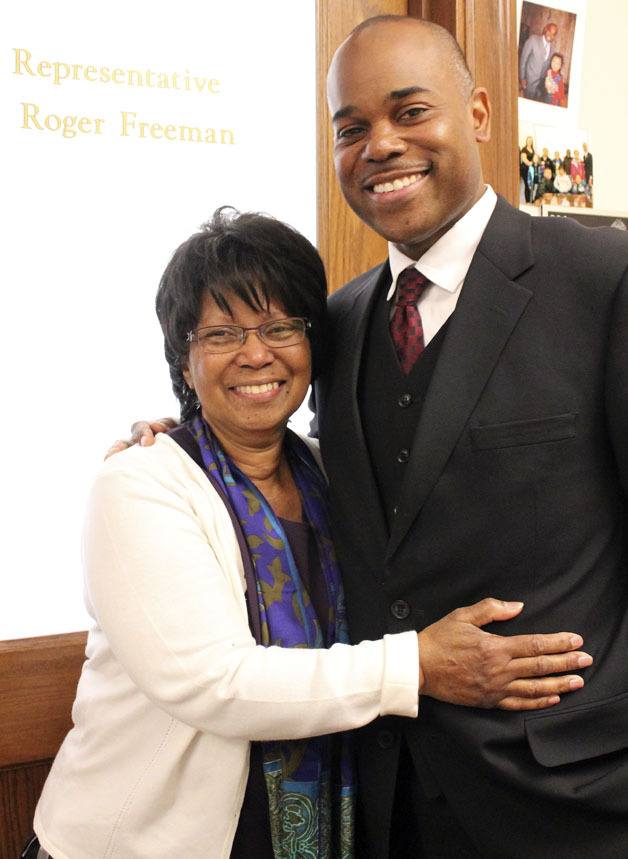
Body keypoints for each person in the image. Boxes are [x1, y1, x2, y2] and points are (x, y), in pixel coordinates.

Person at [121, 14, 628, 858]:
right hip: (382, 799)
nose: (380, 144)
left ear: (479, 112)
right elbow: (333, 467)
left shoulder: (601, 280)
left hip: (573, 801)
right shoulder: (344, 319)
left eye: (409, 111)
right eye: (351, 129)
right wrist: (184, 442)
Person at [27, 209, 587, 859]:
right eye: (223, 332)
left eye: (280, 326)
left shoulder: (333, 473)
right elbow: (218, 683)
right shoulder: (141, 485)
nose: (256, 352)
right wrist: (419, 665)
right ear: (185, 359)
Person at [519, 22, 558, 101]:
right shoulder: (533, 39)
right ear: (545, 29)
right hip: (529, 82)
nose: (550, 35)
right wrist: (522, 78)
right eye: (549, 31)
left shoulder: (552, 48)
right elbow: (523, 59)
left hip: (540, 86)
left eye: (553, 34)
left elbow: (548, 67)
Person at [519, 135, 535, 203]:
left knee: (531, 185)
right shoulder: (524, 149)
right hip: (525, 169)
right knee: (527, 185)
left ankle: (530, 200)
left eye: (531, 141)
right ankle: (527, 201)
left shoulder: (532, 149)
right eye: (528, 140)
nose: (529, 142)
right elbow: (524, 159)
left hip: (531, 170)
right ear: (526, 141)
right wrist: (531, 163)